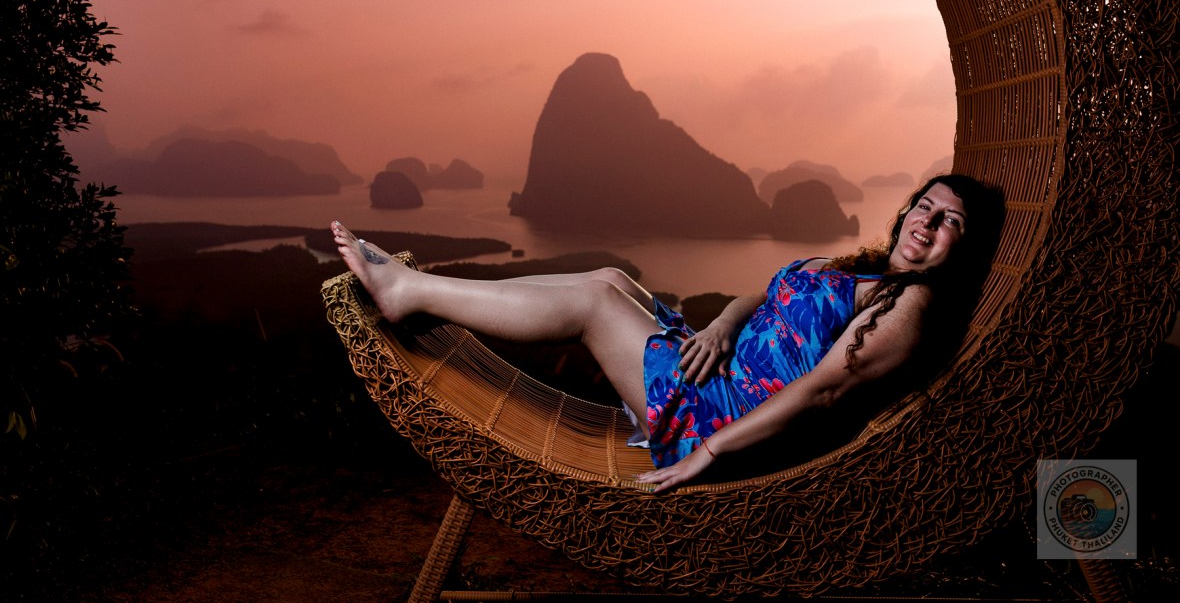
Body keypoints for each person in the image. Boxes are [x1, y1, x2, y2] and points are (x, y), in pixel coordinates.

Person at [331, 173, 1004, 492]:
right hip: (713, 365)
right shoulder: (861, 268)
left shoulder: (909, 306)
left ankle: (408, 292)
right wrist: (718, 325)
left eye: (951, 222)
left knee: (596, 302)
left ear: (960, 248)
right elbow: (762, 296)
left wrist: (712, 454)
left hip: (718, 416)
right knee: (608, 276)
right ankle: (423, 291)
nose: (927, 222)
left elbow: (825, 394)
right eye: (925, 205)